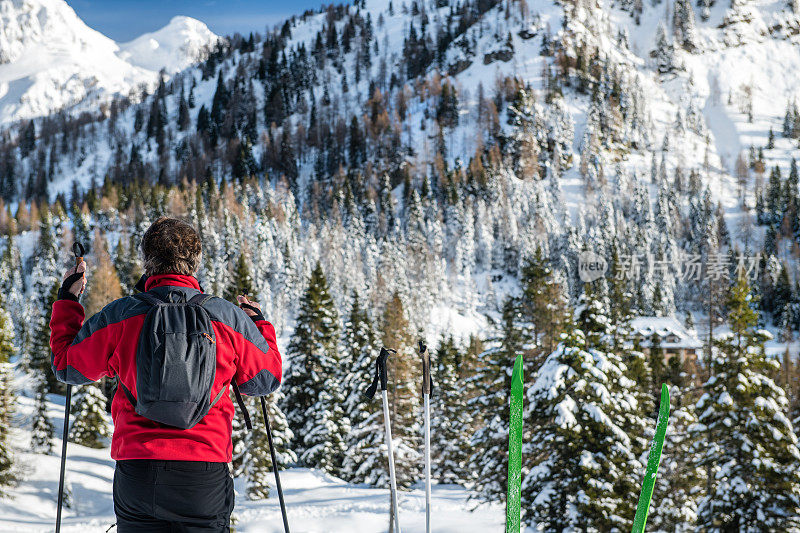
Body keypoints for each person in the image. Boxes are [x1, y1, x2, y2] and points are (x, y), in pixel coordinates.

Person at [49, 217, 282, 532]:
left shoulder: (121, 315)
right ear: (195, 263)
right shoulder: (226, 317)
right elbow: (264, 379)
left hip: (139, 475)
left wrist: (68, 301)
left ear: (148, 262)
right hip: (204, 475)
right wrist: (259, 324)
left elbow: (67, 366)